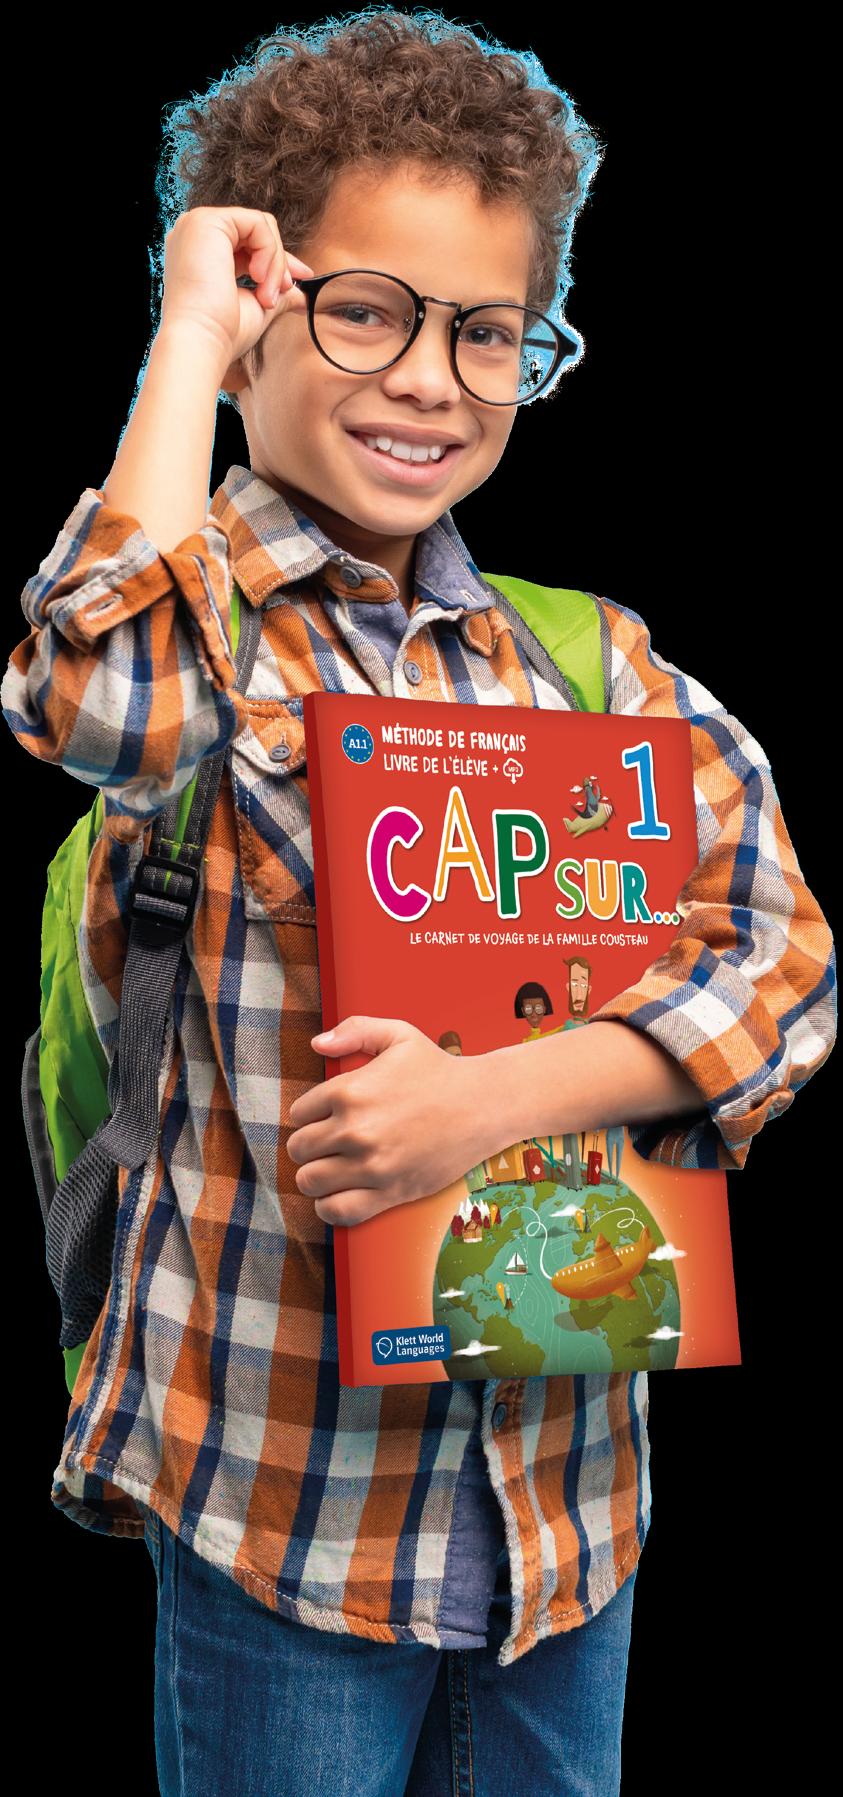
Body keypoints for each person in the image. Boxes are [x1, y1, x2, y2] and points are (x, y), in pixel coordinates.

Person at [2, 14, 835, 1796]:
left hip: (569, 1518)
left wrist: (498, 1097)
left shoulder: (592, 667)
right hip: (285, 1509)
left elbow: (784, 962)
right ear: (263, 305)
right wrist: (185, 334)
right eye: (367, 311)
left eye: (488, 332)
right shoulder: (212, 637)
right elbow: (93, 700)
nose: (433, 382)